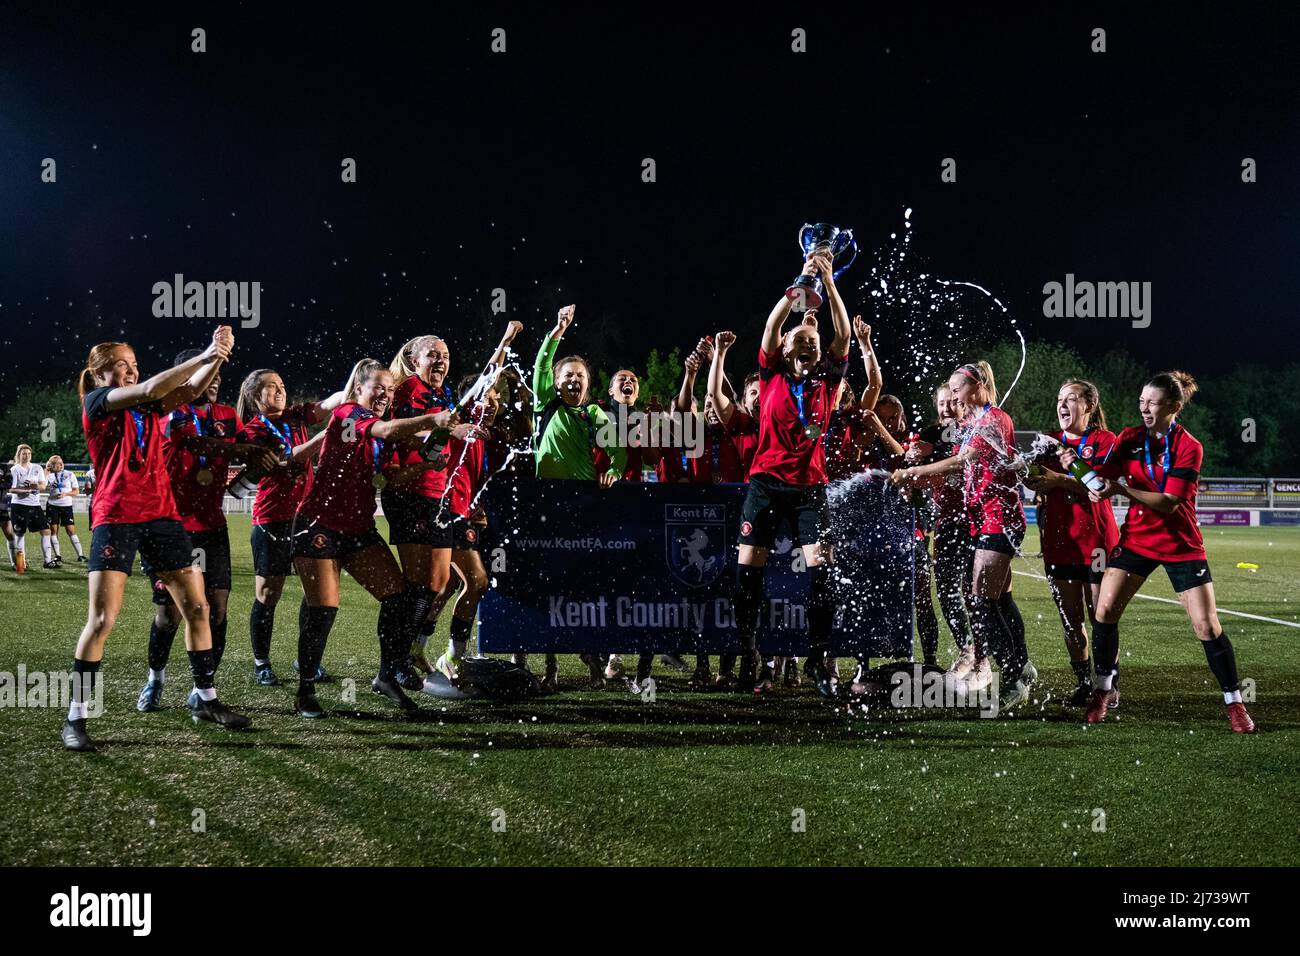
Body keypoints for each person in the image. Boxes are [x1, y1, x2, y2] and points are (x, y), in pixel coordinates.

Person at [64, 330, 251, 752]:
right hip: (117, 516)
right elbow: (154, 386)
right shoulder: (96, 403)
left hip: (164, 517)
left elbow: (189, 389)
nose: (131, 370)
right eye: (120, 365)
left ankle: (206, 700)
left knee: (197, 607)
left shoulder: (149, 405)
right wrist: (204, 352)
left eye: (133, 363)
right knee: (102, 620)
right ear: (98, 376)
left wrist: (218, 357)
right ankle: (75, 716)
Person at [290, 358, 483, 718]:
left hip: (358, 528)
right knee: (325, 608)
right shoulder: (349, 412)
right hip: (319, 525)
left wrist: (433, 451)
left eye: (390, 390)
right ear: (359, 388)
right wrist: (434, 419)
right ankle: (305, 690)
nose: (384, 394)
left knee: (398, 596)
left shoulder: (376, 429)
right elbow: (388, 430)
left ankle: (386, 677)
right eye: (377, 387)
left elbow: (395, 458)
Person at [1070, 371, 1255, 732]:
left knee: (1206, 625)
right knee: (1104, 610)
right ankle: (1103, 691)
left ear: (1174, 406)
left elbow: (1169, 503)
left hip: (1180, 543)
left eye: (1152, 402)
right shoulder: (1130, 438)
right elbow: (1100, 476)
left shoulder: (1190, 446)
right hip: (1137, 539)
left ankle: (1234, 702)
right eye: (1142, 401)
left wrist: (1121, 490)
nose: (1144, 408)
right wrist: (1073, 468)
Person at [134, 350, 283, 713]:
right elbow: (194, 443)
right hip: (171, 527)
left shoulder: (228, 416)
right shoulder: (169, 412)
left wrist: (268, 452)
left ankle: (204, 690)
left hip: (212, 526)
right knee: (169, 615)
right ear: (188, 377)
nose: (215, 380)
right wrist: (242, 448)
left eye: (218, 373)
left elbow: (252, 444)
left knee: (216, 611)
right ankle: (156, 678)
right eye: (207, 372)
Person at [734, 252, 850, 696]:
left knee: (823, 570)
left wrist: (829, 284)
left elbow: (842, 333)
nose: (806, 348)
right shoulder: (770, 377)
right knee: (749, 571)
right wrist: (801, 283)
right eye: (798, 342)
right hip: (764, 486)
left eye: (812, 345)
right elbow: (770, 325)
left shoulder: (828, 383)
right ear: (784, 350)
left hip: (809, 490)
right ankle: (750, 654)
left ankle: (820, 659)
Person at [892, 361, 1035, 712]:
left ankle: (1013, 678)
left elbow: (963, 462)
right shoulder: (971, 425)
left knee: (982, 601)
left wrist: (916, 470)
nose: (953, 395)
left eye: (958, 388)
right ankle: (1023, 665)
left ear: (979, 386)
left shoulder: (993, 419)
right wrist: (917, 472)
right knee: (998, 600)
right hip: (981, 521)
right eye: (951, 390)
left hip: (998, 520)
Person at [532, 304, 627, 688]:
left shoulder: (596, 416)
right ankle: (550, 663)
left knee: (584, 583)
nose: (573, 381)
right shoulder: (546, 404)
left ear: (588, 384)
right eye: (567, 376)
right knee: (547, 585)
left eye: (580, 377)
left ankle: (591, 656)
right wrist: (557, 332)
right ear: (556, 383)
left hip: (583, 504)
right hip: (545, 505)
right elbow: (541, 365)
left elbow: (619, 451)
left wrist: (615, 472)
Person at [1022, 380, 1120, 706]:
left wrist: (1059, 479)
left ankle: (1108, 686)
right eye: (1059, 398)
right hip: (1059, 542)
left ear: (1089, 406)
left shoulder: (1104, 441)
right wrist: (1025, 472)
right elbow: (1034, 482)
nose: (1063, 404)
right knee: (1070, 618)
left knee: (1100, 616)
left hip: (1097, 542)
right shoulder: (1047, 442)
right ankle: (1083, 684)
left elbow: (1100, 485)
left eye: (1072, 399)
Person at [234, 368, 335, 686]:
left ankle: (307, 660)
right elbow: (284, 462)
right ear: (254, 396)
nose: (279, 390)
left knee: (316, 594)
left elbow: (330, 404)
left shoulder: (296, 416)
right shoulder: (252, 431)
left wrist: (355, 390)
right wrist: (320, 440)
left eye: (282, 385)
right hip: (272, 521)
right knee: (268, 595)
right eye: (270, 387)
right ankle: (262, 662)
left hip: (308, 519)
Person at [907, 385, 978, 680]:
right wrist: (913, 459)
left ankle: (984, 657)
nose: (946, 408)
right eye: (941, 403)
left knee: (976, 593)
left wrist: (933, 463)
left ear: (963, 402)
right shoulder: (931, 433)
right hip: (948, 523)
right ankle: (967, 649)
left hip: (976, 522)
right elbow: (918, 478)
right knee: (947, 592)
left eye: (952, 402)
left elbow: (968, 466)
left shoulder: (974, 430)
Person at [8, 444, 54, 568]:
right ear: (19, 455)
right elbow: (11, 489)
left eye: (29, 453)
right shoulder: (14, 469)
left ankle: (48, 561)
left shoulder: (37, 468)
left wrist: (30, 486)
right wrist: (25, 490)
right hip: (19, 505)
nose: (27, 456)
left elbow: (43, 486)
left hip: (35, 505)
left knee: (46, 531)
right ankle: (20, 563)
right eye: (24, 453)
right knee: (19, 534)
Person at [44, 456, 86, 562]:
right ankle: (57, 555)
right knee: (53, 531)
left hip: (66, 505)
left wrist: (66, 494)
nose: (61, 465)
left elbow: (76, 491)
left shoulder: (69, 474)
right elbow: (43, 486)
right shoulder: (48, 475)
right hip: (52, 505)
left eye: (62, 462)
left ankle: (81, 555)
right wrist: (46, 471)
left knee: (71, 530)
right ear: (52, 465)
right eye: (58, 463)